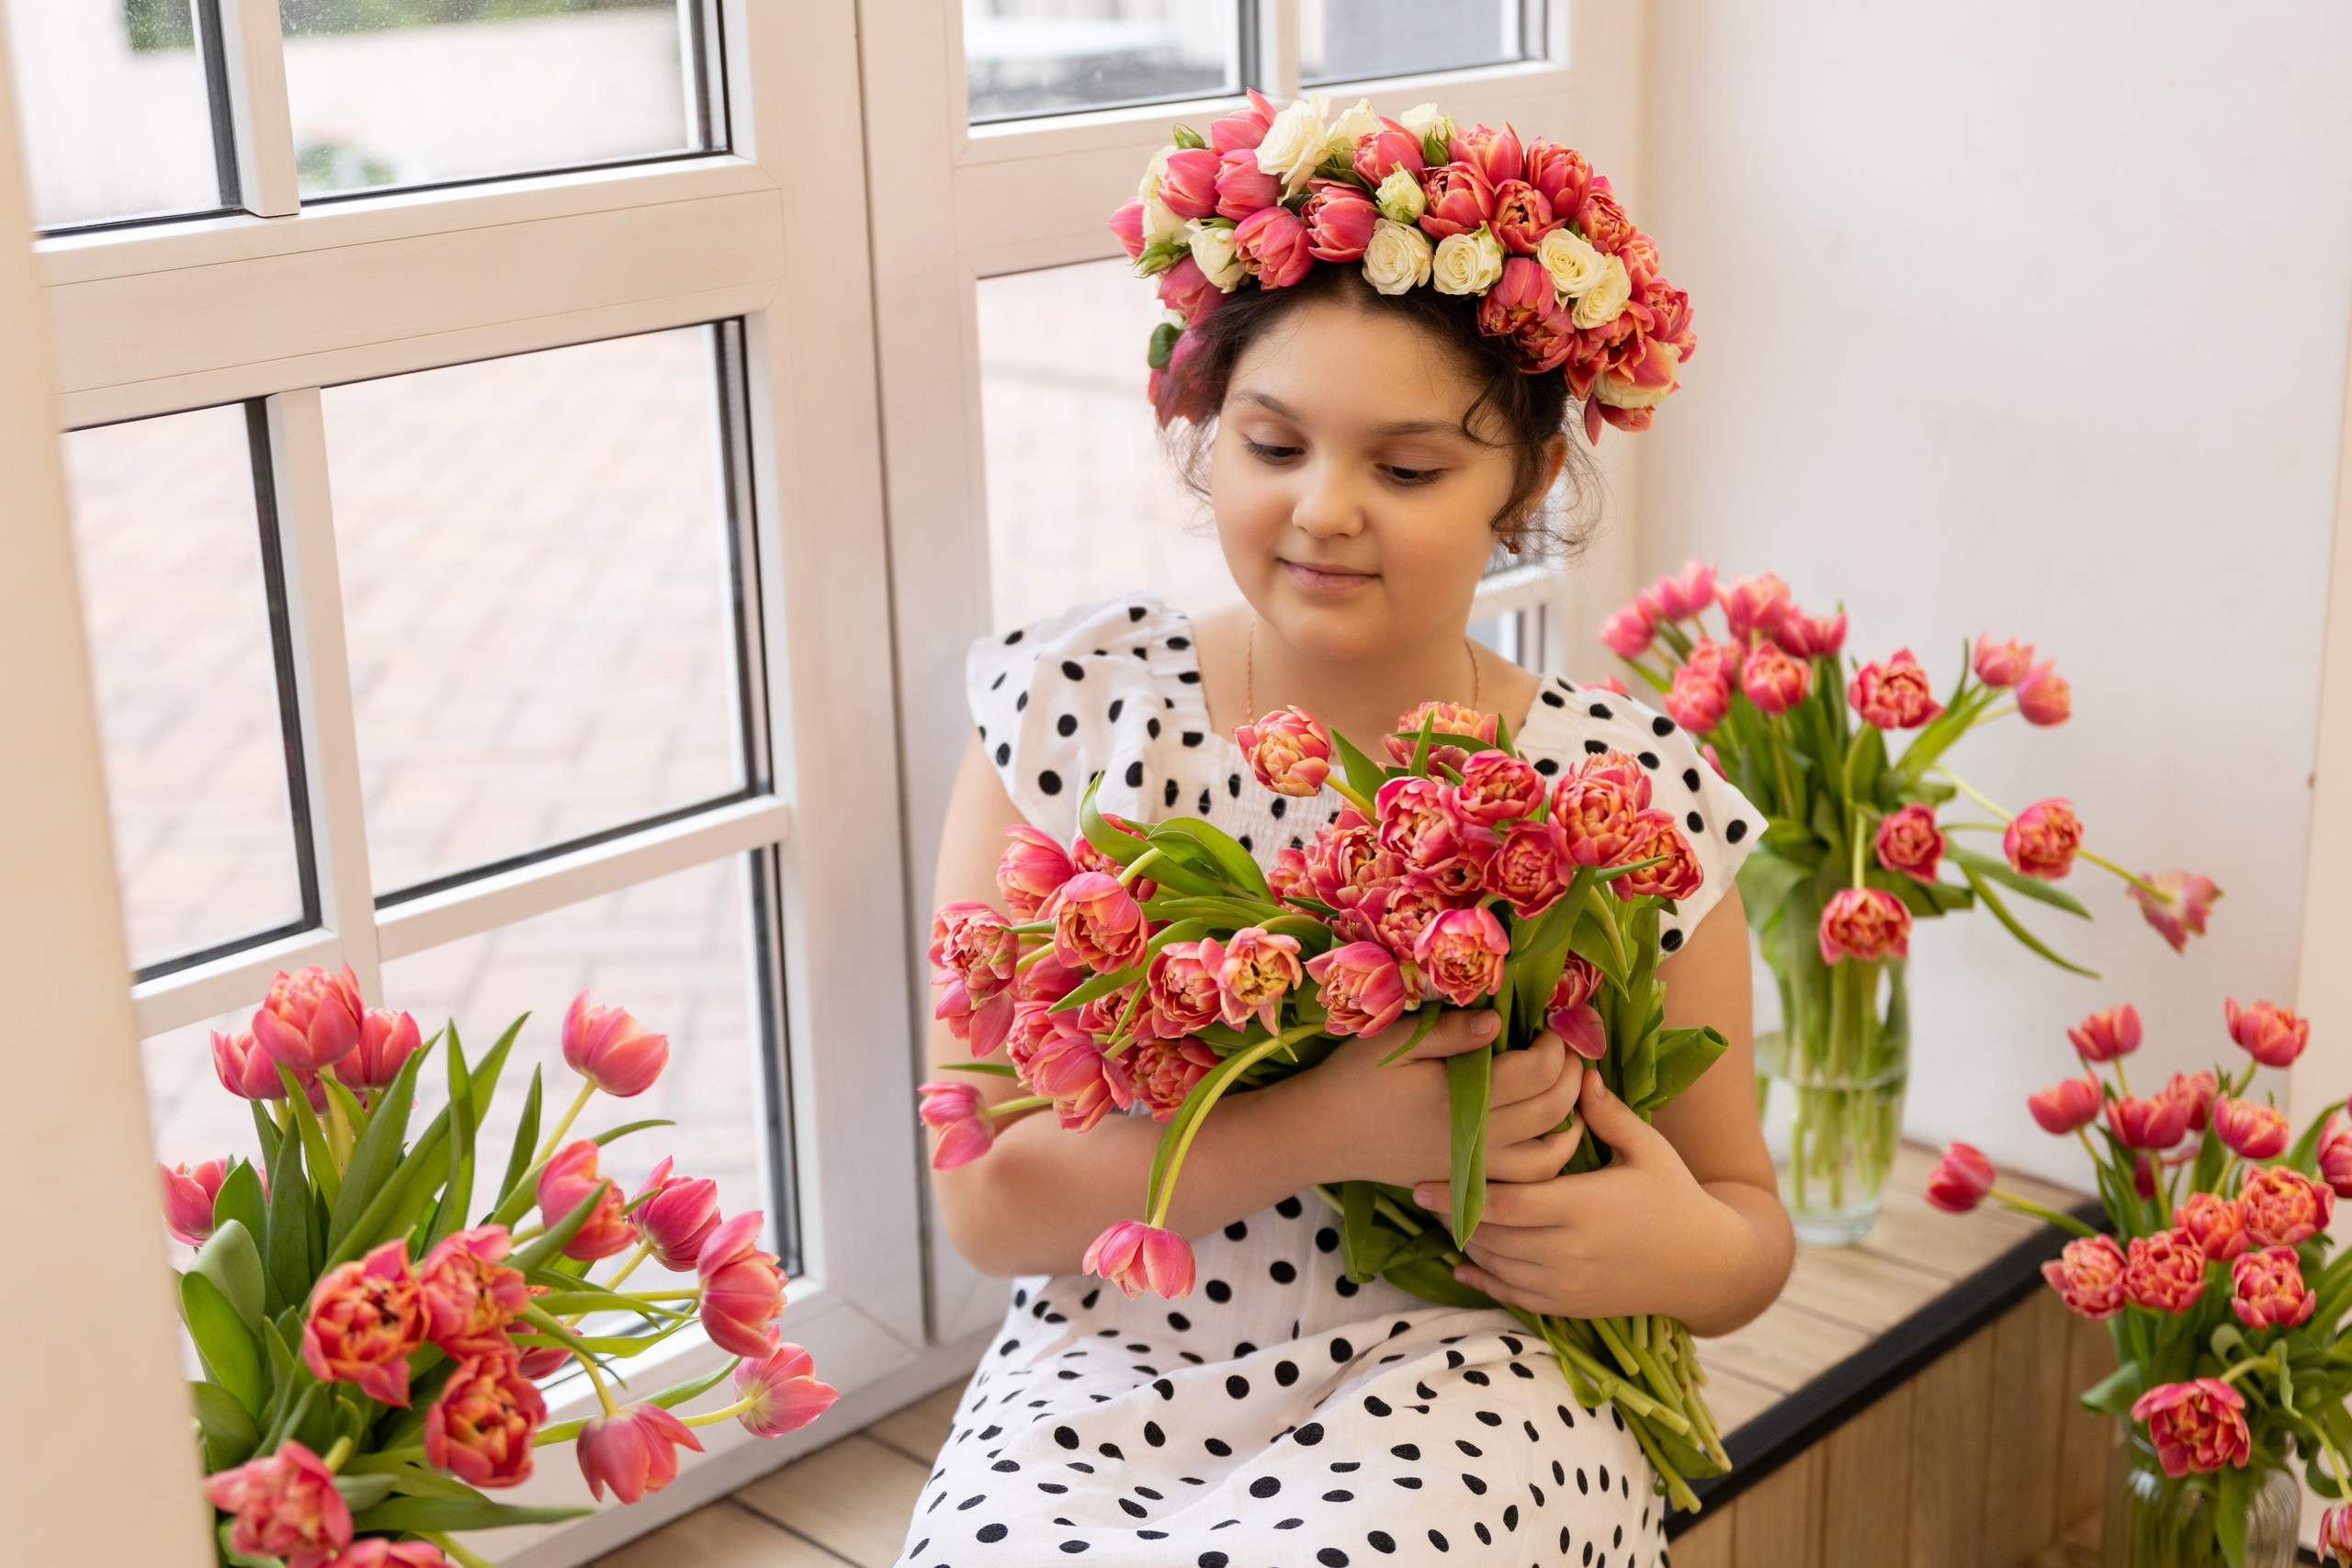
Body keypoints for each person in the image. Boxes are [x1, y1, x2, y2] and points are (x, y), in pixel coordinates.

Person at [899, 96, 1792, 1568]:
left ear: (1532, 480)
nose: (1324, 510)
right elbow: (989, 1201)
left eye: (1408, 469)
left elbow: (1745, 1224)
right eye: (1271, 444)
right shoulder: (1076, 714)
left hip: (1469, 1372)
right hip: (1108, 1373)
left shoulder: (1623, 788)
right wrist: (1345, 1121)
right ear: (1204, 432)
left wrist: (1682, 1251)